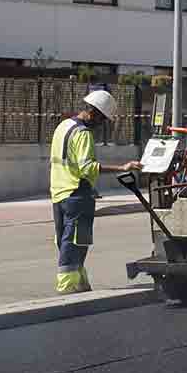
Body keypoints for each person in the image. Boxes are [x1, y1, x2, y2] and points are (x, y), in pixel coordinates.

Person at [49, 91, 142, 294]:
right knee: (76, 240)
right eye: (102, 120)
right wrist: (122, 168)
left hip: (58, 192)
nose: (101, 125)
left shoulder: (63, 126)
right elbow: (87, 167)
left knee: (66, 238)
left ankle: (80, 281)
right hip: (76, 192)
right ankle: (68, 285)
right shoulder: (83, 133)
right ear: (94, 113)